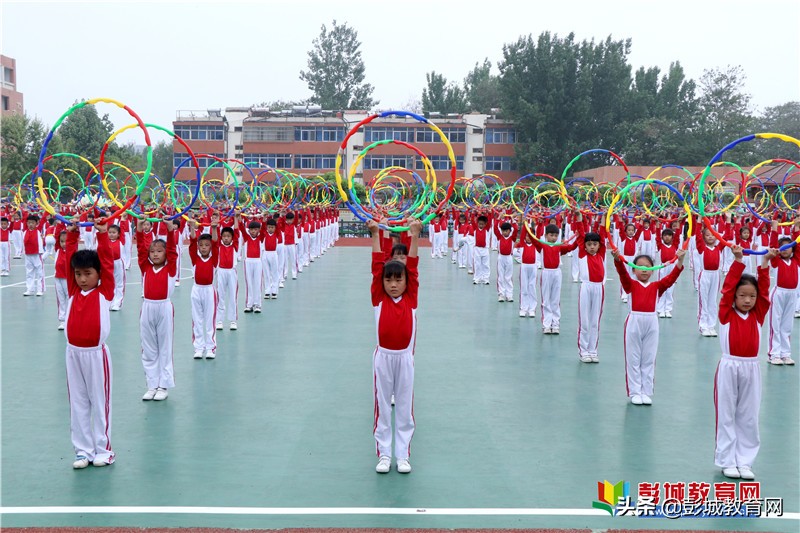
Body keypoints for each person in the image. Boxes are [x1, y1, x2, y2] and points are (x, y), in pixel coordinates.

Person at [367, 216, 422, 475]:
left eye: (398, 280)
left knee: (403, 408)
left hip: (405, 359)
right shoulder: (379, 298)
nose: (393, 284)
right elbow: (377, 267)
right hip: (383, 359)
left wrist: (415, 234)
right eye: (389, 280)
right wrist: (376, 234)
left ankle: (403, 455)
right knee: (382, 406)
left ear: (406, 282)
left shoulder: (411, 297)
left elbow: (412, 266)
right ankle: (384, 454)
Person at [715, 245, 775, 480]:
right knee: (727, 414)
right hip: (729, 367)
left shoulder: (758, 315)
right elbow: (727, 289)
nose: (748, 300)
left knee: (749, 415)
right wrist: (738, 261)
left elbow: (765, 293)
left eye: (752, 296)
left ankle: (745, 461)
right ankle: (727, 460)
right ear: (735, 298)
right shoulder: (726, 314)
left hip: (752, 368)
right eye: (743, 296)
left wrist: (765, 265)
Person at [63, 219, 115, 469]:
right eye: (78, 274)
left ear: (98, 275)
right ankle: (83, 451)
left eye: (88, 274)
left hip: (96, 355)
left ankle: (103, 450)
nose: (82, 279)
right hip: (73, 354)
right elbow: (66, 263)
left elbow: (106, 262)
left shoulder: (105, 292)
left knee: (100, 402)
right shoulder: (73, 290)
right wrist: (71, 235)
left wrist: (103, 235)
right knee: (78, 402)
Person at [612, 249, 686, 405]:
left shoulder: (657, 286)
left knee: (648, 358)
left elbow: (671, 279)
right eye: (640, 267)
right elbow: (622, 274)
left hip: (652, 322)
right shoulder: (630, 284)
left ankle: (646, 391)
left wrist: (680, 261)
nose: (644, 270)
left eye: (647, 267)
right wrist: (618, 259)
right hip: (634, 322)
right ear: (633, 269)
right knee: (633, 358)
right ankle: (634, 391)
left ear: (653, 269)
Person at [137, 216, 179, 401]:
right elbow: (139, 250)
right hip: (147, 308)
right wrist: (138, 230)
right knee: (148, 348)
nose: (155, 254)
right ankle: (152, 384)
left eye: (159, 251)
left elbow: (172, 251)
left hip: (163, 308)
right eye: (152, 251)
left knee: (164, 347)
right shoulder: (145, 267)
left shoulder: (170, 268)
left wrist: (170, 230)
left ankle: (164, 385)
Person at [530, 223, 579, 332]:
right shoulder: (542, 246)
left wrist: (578, 237)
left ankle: (555, 324)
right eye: (551, 235)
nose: (554, 238)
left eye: (556, 235)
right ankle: (547, 324)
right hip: (546, 273)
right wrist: (531, 224)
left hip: (557, 273)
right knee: (546, 299)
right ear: (546, 235)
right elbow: (534, 239)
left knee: (555, 300)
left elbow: (572, 247)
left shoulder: (559, 247)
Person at [574, 213, 608, 363]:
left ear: (599, 245)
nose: (592, 247)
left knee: (595, 321)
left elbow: (603, 233)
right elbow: (581, 234)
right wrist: (578, 217)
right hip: (586, 288)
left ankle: (593, 350)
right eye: (589, 244)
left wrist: (604, 217)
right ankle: (583, 351)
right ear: (585, 246)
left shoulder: (601, 253)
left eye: (595, 244)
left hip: (599, 288)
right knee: (585, 321)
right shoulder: (582, 253)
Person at [766, 218, 799, 365]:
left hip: (792, 295)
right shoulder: (776, 261)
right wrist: (774, 229)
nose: (785, 250)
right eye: (782, 248)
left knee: (787, 325)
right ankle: (774, 354)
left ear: (793, 249)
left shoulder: (796, 261)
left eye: (789, 247)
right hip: (778, 293)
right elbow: (772, 247)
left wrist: (797, 227)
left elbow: (798, 243)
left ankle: (785, 353)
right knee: (776, 324)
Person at [188, 216, 220, 359]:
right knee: (197, 319)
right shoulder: (195, 258)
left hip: (209, 290)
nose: (204, 248)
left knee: (209, 319)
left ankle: (210, 348)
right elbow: (193, 241)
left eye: (207, 245)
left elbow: (216, 243)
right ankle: (198, 348)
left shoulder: (213, 259)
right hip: (196, 290)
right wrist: (191, 226)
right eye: (201, 246)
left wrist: (214, 228)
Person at [695, 225, 723, 337]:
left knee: (712, 301)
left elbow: (728, 236)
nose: (710, 237)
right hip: (705, 275)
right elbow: (697, 236)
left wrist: (728, 219)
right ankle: (703, 326)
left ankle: (711, 325)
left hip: (715, 275)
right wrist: (699, 220)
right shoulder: (702, 248)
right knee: (704, 301)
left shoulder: (719, 248)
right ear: (704, 237)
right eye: (707, 235)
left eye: (713, 235)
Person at [215, 223, 240, 331]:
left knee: (232, 296)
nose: (226, 238)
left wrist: (235, 217)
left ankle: (233, 320)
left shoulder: (235, 245)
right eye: (224, 236)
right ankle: (219, 320)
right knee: (220, 296)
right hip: (221, 272)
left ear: (232, 238)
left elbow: (237, 232)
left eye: (228, 236)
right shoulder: (219, 246)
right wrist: (215, 225)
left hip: (231, 272)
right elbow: (215, 237)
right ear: (221, 237)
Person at [241, 218, 264, 313]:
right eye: (251, 230)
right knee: (249, 283)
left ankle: (258, 305)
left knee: (257, 283)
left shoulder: (260, 237)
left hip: (258, 261)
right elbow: (242, 229)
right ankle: (249, 305)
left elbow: (264, 228)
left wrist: (265, 218)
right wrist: (238, 218)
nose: (253, 231)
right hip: (248, 262)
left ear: (258, 230)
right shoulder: (246, 237)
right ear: (249, 230)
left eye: (255, 229)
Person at [495, 218, 519, 303]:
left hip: (509, 258)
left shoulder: (512, 238)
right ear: (501, 231)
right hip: (501, 257)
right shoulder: (499, 237)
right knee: (501, 276)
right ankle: (501, 294)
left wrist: (513, 220)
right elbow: (495, 228)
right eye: (503, 231)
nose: (505, 232)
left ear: (510, 231)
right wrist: (498, 218)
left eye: (507, 231)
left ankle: (509, 295)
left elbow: (516, 229)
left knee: (508, 277)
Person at [22, 213, 45, 296]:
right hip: (28, 255)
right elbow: (24, 216)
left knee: (40, 273)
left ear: (36, 223)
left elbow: (44, 218)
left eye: (32, 223)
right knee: (29, 273)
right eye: (29, 223)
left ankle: (40, 290)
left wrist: (46, 208)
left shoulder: (38, 230)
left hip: (37, 255)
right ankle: (30, 289)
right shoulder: (25, 231)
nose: (30, 224)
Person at [107, 224, 126, 311]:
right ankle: (110, 302)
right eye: (110, 232)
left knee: (119, 284)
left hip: (118, 264)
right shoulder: (106, 241)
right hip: (108, 264)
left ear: (119, 234)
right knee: (110, 284)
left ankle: (117, 303)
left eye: (114, 232)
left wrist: (122, 216)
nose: (111, 234)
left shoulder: (121, 241)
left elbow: (122, 228)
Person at [54, 231, 69, 329]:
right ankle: (62, 320)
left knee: (69, 299)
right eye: (62, 241)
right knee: (61, 299)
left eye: (66, 241)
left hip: (68, 279)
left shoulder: (72, 250)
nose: (64, 244)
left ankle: (69, 318)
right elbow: (56, 237)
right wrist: (59, 222)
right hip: (58, 278)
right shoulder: (58, 250)